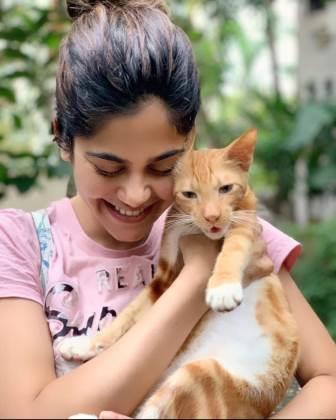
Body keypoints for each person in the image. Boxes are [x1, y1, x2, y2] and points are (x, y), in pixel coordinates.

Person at [0, 0, 335, 418]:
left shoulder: (227, 224)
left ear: (190, 142)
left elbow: (329, 380)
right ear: (63, 139)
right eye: (108, 168)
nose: (137, 194)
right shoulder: (21, 245)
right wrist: (196, 278)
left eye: (162, 166)